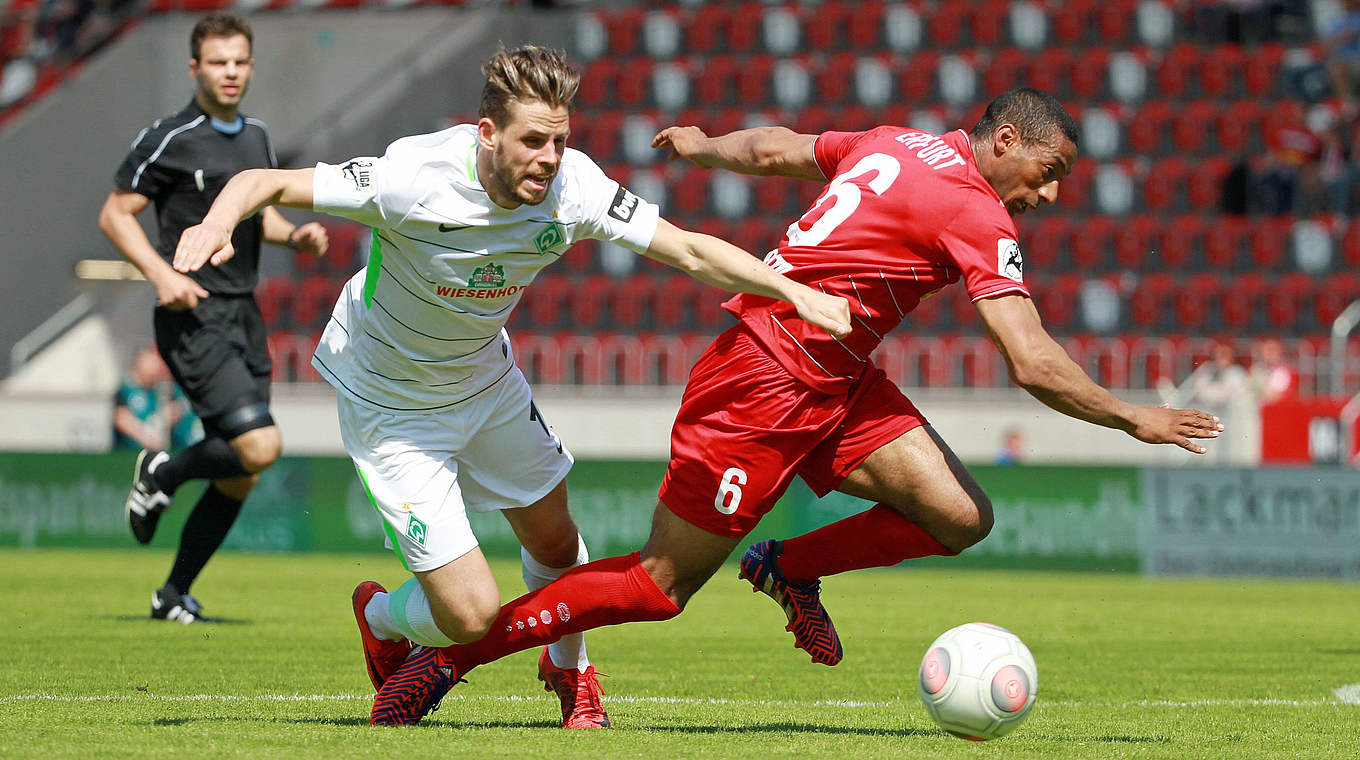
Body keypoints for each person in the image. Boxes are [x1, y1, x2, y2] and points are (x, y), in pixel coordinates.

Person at [348, 87, 1225, 727]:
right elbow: (1030, 361)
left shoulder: (892, 142)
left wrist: (699, 144)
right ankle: (453, 655)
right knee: (659, 589)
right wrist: (1134, 417)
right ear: (1005, 140)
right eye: (1050, 171)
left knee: (960, 515)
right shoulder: (975, 208)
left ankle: (789, 567)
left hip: (838, 374)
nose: (1052, 194)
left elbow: (774, 149)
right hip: (763, 380)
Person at [170, 45, 852, 728]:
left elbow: (690, 249)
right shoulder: (412, 177)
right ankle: (381, 616)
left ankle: (571, 671)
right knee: (469, 617)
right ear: (487, 133)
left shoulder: (574, 188)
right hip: (392, 403)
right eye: (533, 140)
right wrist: (215, 223)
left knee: (558, 542)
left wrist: (792, 291)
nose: (549, 157)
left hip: (485, 379)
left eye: (560, 140)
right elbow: (264, 181)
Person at [97, 13, 329, 624]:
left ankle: (172, 593)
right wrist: (163, 274)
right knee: (260, 445)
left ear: (250, 66)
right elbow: (116, 215)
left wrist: (294, 235)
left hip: (243, 313)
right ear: (195, 66)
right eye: (218, 61)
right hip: (192, 313)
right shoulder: (170, 138)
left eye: (239, 61)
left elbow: (258, 212)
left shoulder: (256, 137)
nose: (230, 72)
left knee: (243, 472)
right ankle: (164, 469)